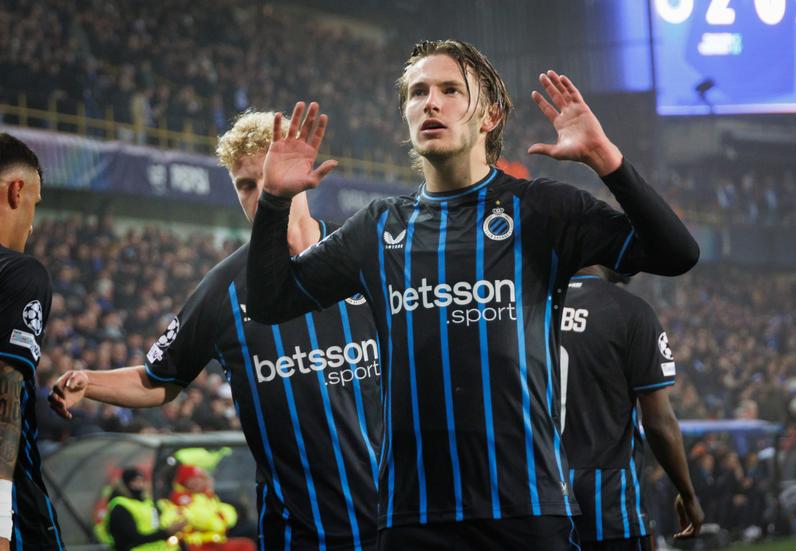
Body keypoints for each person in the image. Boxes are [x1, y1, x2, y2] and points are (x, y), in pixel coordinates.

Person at [244, 39, 699, 550]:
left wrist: (607, 161)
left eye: (449, 90)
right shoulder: (378, 228)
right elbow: (268, 302)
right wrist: (276, 203)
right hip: (411, 517)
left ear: (490, 116)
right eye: (417, 93)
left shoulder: (542, 210)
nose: (430, 103)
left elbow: (676, 254)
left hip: (529, 509)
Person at [49, 111, 381, 550]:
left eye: (266, 176)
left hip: (396, 519)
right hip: (299, 534)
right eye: (245, 185)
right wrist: (89, 381)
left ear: (300, 173)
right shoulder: (222, 289)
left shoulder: (364, 259)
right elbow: (158, 380)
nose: (259, 193)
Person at [560, 266, 703, 550]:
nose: (633, 256)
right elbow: (659, 422)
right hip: (607, 501)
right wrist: (688, 494)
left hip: (537, 494)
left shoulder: (529, 306)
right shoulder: (630, 310)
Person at [0, 133, 64, 550]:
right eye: (35, 205)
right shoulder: (21, 273)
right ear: (16, 190)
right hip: (16, 518)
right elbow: (3, 398)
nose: (33, 222)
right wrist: (2, 525)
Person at [159, 465, 253, 551]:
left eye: (199, 478)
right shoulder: (179, 498)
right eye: (192, 478)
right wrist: (215, 520)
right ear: (184, 480)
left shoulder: (208, 496)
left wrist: (218, 517)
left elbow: (228, 513)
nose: (197, 481)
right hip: (194, 545)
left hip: (216, 541)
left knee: (246, 544)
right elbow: (179, 518)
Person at [101, 468, 184, 551]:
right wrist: (166, 533)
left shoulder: (148, 503)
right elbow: (132, 538)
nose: (139, 485)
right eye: (134, 481)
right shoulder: (121, 506)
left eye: (141, 481)